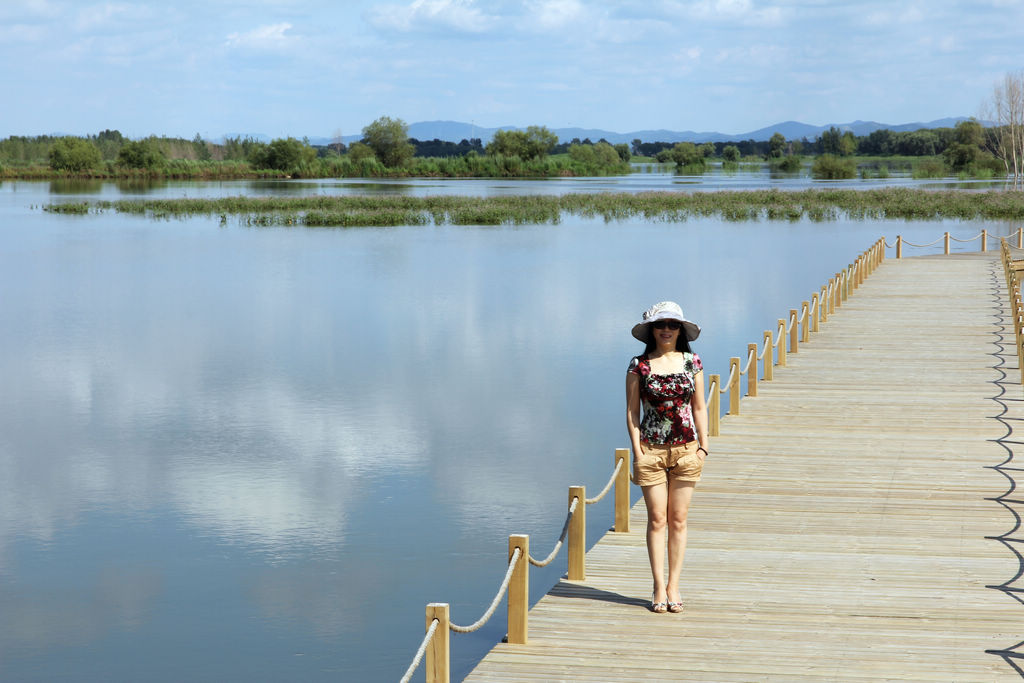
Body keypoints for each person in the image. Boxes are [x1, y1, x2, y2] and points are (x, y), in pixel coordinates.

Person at [626, 301, 708, 614]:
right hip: (651, 451)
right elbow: (633, 411)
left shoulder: (692, 362)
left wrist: (704, 446)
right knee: (657, 519)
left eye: (673, 325)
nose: (666, 330)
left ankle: (674, 584)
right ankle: (658, 586)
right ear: (651, 330)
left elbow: (699, 407)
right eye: (661, 326)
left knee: (678, 519)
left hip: (688, 450)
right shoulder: (639, 365)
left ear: (680, 330)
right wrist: (637, 451)